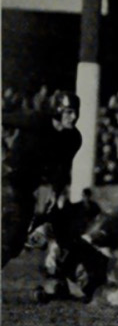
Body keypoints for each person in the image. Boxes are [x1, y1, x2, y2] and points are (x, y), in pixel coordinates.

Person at [2, 91, 83, 267]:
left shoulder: (72, 138)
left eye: (75, 112)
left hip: (26, 188)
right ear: (57, 110)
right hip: (8, 179)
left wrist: (55, 190)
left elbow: (62, 168)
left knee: (16, 244)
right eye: (68, 111)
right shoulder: (36, 121)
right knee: (11, 234)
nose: (73, 116)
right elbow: (5, 118)